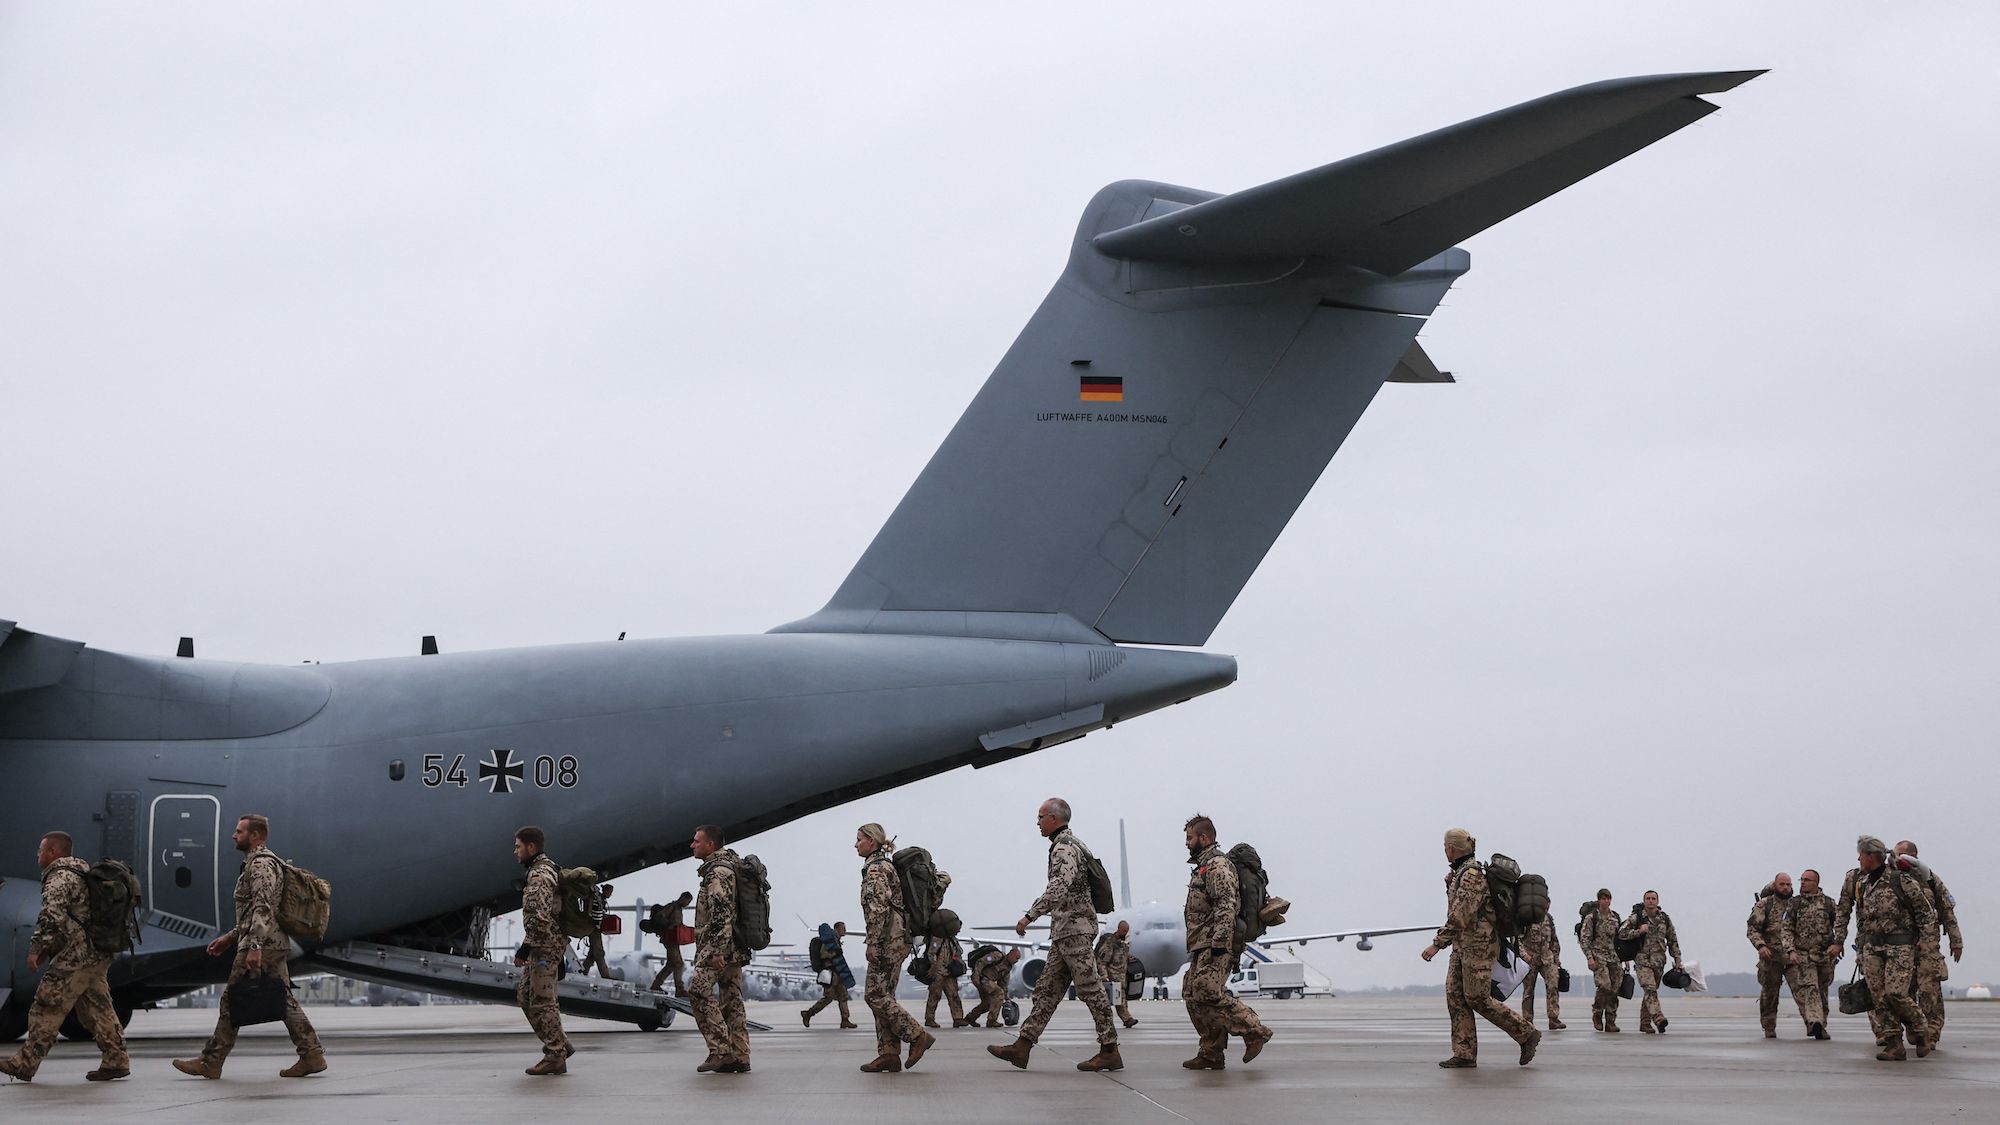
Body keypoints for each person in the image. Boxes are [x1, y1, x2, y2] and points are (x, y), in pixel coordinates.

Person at [172, 815, 326, 1080]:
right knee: (283, 999)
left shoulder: (261, 865)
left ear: (255, 835)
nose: (234, 835)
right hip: (269, 941)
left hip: (263, 943)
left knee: (232, 998)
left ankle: (211, 1061)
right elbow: (256, 912)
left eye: (239, 831)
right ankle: (312, 1055)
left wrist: (254, 946)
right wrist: (229, 938)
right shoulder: (259, 863)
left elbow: (263, 908)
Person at [987, 798, 1122, 1073]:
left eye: (1040, 817)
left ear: (1053, 819)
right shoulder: (1072, 844)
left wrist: (1030, 915)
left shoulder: (1064, 847)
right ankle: (1022, 1046)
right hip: (1065, 932)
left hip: (1075, 931)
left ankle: (1110, 1050)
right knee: (1047, 991)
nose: (1037, 823)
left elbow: (1059, 887)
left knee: (1091, 990)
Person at [0, 831, 129, 1083]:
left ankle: (25, 1063)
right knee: (98, 1007)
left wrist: (38, 949)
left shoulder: (59, 878)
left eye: (41, 850)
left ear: (53, 852)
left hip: (75, 956)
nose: (38, 855)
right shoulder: (83, 872)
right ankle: (116, 1060)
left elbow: (51, 917)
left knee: (46, 1004)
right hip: (96, 953)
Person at [1421, 828, 1539, 1068]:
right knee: (1456, 997)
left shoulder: (1472, 874)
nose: (1444, 850)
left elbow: (1462, 915)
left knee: (1478, 998)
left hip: (1479, 947)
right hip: (1462, 946)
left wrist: (1437, 943)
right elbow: (1461, 908)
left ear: (1452, 848)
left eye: (1445, 846)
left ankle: (1525, 1032)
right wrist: (1449, 886)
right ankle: (1464, 1053)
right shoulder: (1460, 874)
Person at [1179, 815, 1272, 1069]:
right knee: (1191, 993)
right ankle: (1211, 1051)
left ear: (1204, 838)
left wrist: (1220, 941)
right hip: (1201, 943)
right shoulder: (1203, 866)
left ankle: (1255, 1030)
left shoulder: (1217, 866)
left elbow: (1226, 905)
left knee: (1208, 992)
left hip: (1216, 943)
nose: (1186, 843)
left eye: (1190, 838)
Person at [1833, 836, 1934, 1061]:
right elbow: (1846, 912)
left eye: (1861, 854)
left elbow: (1925, 912)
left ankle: (1920, 1027)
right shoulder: (1861, 881)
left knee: (1896, 993)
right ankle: (1894, 1044)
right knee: (1878, 997)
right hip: (1871, 947)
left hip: (1900, 946)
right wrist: (1840, 941)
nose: (1858, 858)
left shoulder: (1900, 880)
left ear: (1872, 856)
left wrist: (1926, 939)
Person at [856, 823, 933, 1073]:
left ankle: (917, 1035)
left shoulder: (877, 869)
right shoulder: (883, 866)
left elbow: (878, 909)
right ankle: (889, 1054)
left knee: (874, 995)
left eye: (859, 839)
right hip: (897, 938)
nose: (855, 844)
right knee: (884, 995)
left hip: (889, 940)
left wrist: (873, 943)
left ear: (872, 841)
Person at [501, 825, 572, 1076]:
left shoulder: (539, 875)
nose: (515, 851)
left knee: (543, 1001)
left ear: (532, 847)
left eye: (518, 846)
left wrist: (524, 948)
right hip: (544, 945)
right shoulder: (544, 869)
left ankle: (555, 1054)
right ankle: (560, 1043)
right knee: (525, 996)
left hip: (543, 946)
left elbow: (539, 917)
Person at [687, 824, 750, 1074]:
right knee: (732, 999)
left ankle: (720, 1051)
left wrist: (716, 952)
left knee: (698, 991)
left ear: (710, 845)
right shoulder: (730, 866)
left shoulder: (718, 873)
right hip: (734, 947)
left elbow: (721, 914)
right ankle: (740, 1055)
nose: (692, 845)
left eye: (696, 841)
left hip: (720, 947)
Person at [1894, 841, 1964, 1041]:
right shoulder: (1892, 879)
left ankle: (1931, 1033)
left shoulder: (1931, 880)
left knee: (1929, 990)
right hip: (1902, 945)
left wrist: (1956, 941)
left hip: (1928, 945)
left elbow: (1947, 912)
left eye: (1901, 854)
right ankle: (1915, 1028)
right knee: (1905, 991)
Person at [1747, 872, 1820, 1038]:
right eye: (1782, 884)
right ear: (1775, 886)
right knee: (1769, 995)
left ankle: (1813, 1024)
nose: (1786, 888)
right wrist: (1761, 946)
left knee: (1803, 991)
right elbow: (1753, 929)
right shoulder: (1765, 905)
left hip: (1793, 956)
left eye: (1789, 884)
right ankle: (1769, 1027)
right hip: (1771, 957)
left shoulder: (1797, 904)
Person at [1782, 868, 1838, 1038]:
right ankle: (1815, 1021)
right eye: (1802, 880)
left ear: (1817, 883)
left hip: (1825, 955)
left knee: (1822, 991)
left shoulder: (1828, 903)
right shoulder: (1795, 903)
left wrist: (1838, 945)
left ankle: (1821, 1024)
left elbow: (1839, 925)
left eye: (1807, 880)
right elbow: (1787, 928)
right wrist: (1790, 950)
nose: (1803, 883)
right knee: (1811, 988)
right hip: (1803, 955)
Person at [1619, 890, 1683, 1034]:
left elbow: (1672, 940)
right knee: (1650, 989)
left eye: (1653, 898)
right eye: (1648, 898)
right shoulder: (1637, 918)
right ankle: (1658, 1018)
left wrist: (1677, 959)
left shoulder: (1664, 919)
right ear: (1644, 901)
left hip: (1659, 962)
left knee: (1650, 993)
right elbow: (1621, 933)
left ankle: (1645, 1023)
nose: (1650, 901)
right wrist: (1638, 932)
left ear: (1657, 901)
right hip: (1642, 961)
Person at [1579, 890, 1625, 1032]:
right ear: (1599, 900)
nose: (1606, 901)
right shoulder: (1592, 917)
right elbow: (1585, 939)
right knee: (1604, 985)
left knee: (1615, 988)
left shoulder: (1615, 917)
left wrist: (1625, 958)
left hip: (1614, 957)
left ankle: (1611, 1021)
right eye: (1603, 898)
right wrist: (1589, 958)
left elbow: (1621, 938)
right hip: (1598, 956)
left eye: (1608, 898)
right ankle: (1597, 1013)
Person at [1517, 909, 1566, 1031]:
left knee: (1553, 986)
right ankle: (1527, 1020)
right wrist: (1524, 955)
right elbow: (1517, 939)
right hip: (1531, 959)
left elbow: (1554, 940)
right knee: (1528, 991)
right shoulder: (1527, 918)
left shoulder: (1548, 918)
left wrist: (1556, 957)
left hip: (1547, 958)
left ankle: (1553, 1018)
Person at [802, 921, 858, 1028]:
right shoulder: (830, 941)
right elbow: (825, 955)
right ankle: (808, 1013)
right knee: (828, 997)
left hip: (837, 972)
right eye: (843, 928)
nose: (845, 931)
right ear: (837, 929)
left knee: (843, 996)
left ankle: (845, 1019)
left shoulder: (834, 940)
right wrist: (834, 955)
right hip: (831, 973)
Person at [922, 918, 967, 1030]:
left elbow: (959, 953)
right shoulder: (938, 938)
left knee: (954, 995)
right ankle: (929, 1019)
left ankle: (957, 1018)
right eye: (958, 928)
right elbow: (931, 953)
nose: (959, 931)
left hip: (949, 972)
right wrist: (934, 967)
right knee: (935, 995)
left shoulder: (953, 940)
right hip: (939, 972)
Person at [1096, 919, 1140, 1029]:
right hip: (1112, 979)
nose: (1125, 934)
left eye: (1127, 932)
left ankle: (1126, 1020)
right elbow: (1102, 962)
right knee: (1113, 1001)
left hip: (1121, 978)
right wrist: (1104, 976)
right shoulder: (1110, 943)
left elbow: (1122, 958)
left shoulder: (1122, 945)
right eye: (1124, 931)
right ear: (1119, 929)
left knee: (1122, 1001)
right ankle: (1127, 1019)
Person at [963, 946, 1020, 1028]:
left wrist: (1007, 998)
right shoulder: (997, 956)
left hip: (987, 981)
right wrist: (976, 975)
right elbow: (981, 962)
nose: (1017, 961)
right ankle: (992, 1020)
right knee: (999, 993)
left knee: (987, 1003)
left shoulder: (1007, 968)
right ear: (1010, 955)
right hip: (982, 978)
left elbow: (1003, 984)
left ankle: (970, 1018)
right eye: (1016, 958)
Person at [649, 891, 693, 995]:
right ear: (683, 898)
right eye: (688, 901)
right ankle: (680, 989)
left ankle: (656, 985)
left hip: (673, 940)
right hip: (670, 939)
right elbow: (660, 916)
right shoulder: (672, 907)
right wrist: (669, 925)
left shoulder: (678, 909)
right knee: (678, 964)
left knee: (670, 965)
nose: (688, 904)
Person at [583, 881, 615, 977]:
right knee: (599, 953)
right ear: (605, 891)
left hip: (595, 929)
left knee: (592, 953)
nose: (610, 894)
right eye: (609, 892)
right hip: (594, 929)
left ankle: (583, 971)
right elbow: (595, 914)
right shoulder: (598, 900)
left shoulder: (601, 900)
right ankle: (605, 975)